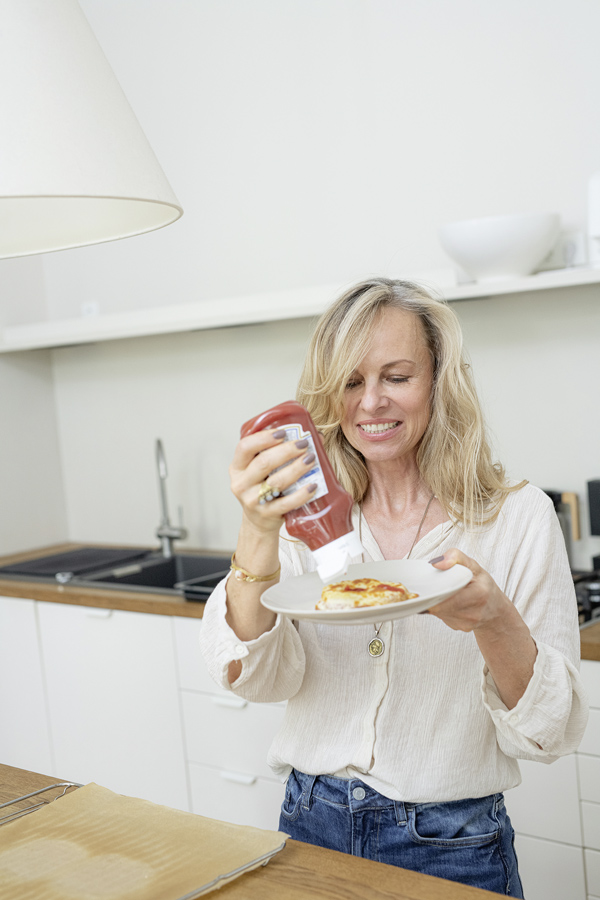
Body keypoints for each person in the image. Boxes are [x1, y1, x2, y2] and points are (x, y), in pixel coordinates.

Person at [199, 278, 587, 896]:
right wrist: (255, 530)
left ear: (439, 382)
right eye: (351, 382)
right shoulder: (305, 515)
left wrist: (494, 619)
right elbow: (261, 679)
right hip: (310, 822)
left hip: (454, 845)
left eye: (397, 377)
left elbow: (550, 731)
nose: (371, 402)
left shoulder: (517, 518)